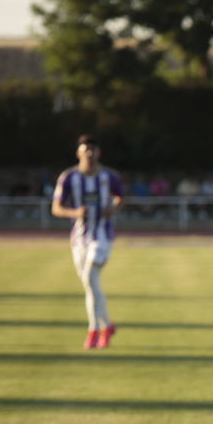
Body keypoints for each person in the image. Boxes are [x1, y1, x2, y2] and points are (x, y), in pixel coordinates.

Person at [51, 134, 124, 350]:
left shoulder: (109, 176)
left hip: (102, 236)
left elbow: (121, 198)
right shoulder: (68, 177)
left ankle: (94, 330)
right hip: (79, 238)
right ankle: (108, 325)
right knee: (90, 285)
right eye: (86, 149)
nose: (90, 154)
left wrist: (114, 208)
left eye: (93, 149)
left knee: (91, 277)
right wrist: (75, 212)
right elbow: (55, 208)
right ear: (79, 153)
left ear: (98, 152)